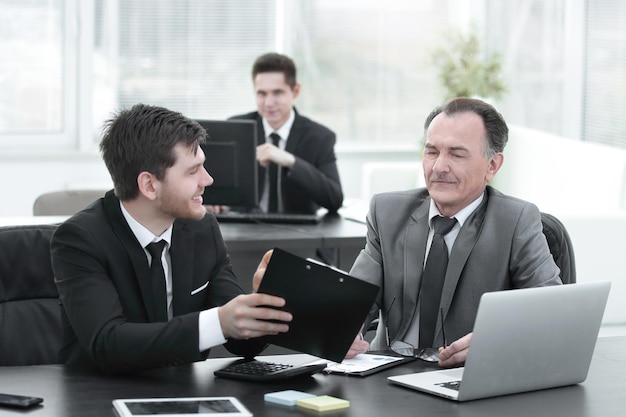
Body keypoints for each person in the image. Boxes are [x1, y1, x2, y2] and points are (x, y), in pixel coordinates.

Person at [51, 104, 292, 374]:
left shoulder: (202, 229)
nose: (208, 179)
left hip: (185, 393)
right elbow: (107, 342)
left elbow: (242, 344)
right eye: (193, 171)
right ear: (149, 185)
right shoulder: (80, 240)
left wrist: (260, 304)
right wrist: (218, 324)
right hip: (98, 397)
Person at [344, 97, 562, 366]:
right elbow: (354, 299)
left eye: (456, 154)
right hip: (387, 371)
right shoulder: (387, 211)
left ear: (492, 166)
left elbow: (551, 312)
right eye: (432, 152)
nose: (438, 167)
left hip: (464, 376)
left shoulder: (515, 221)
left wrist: (494, 342)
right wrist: (343, 327)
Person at [228, 52, 343, 214]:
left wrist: (292, 162)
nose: (268, 103)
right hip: (244, 230)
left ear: (295, 91)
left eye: (277, 93)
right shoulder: (236, 129)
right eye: (262, 93)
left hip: (297, 233)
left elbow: (334, 199)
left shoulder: (320, 137)